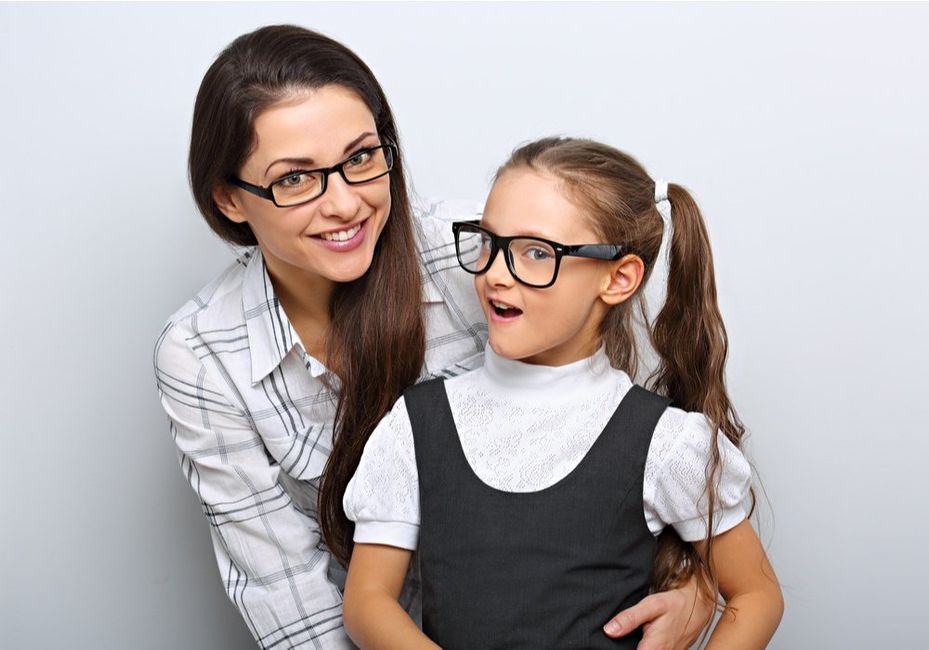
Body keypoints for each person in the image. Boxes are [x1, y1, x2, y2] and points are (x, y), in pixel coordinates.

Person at [154, 25, 714, 649]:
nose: (345, 204)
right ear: (231, 199)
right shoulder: (202, 357)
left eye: (362, 157)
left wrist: (691, 576)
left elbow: (616, 432)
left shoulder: (478, 247)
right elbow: (292, 603)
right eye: (295, 179)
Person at [342, 137, 784, 648]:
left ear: (618, 278)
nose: (496, 273)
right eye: (489, 242)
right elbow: (368, 601)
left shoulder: (665, 442)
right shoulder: (415, 426)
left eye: (536, 253)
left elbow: (756, 595)